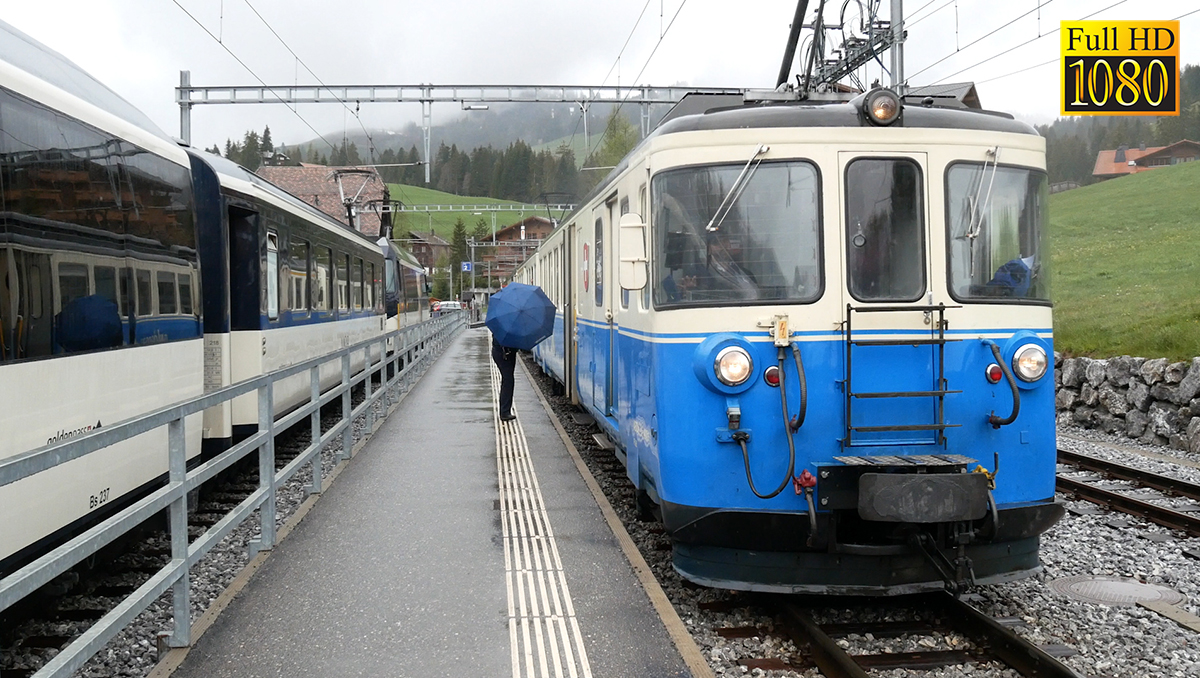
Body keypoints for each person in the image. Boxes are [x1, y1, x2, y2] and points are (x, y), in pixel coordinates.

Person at [491, 333, 517, 421]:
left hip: (507, 353)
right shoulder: (506, 328)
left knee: (508, 380)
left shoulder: (505, 326)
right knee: (508, 380)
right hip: (503, 354)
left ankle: (505, 411)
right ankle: (504, 412)